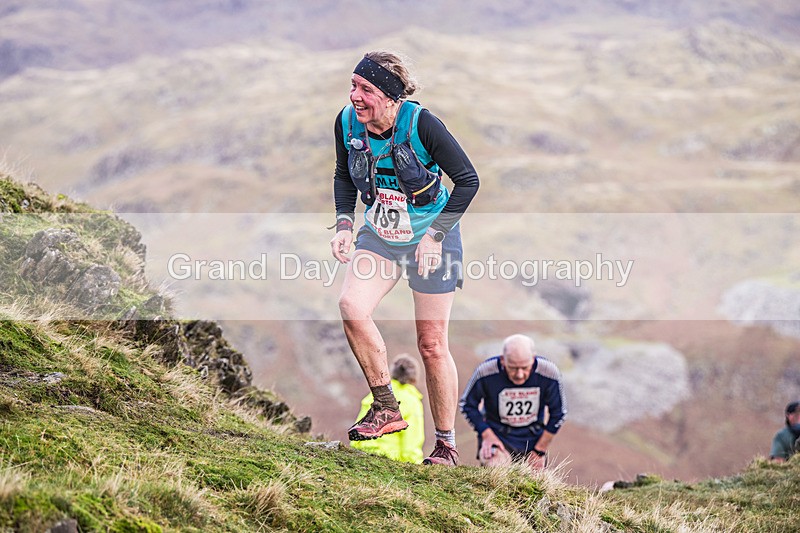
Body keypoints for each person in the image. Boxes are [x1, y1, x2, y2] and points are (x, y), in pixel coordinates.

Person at [330, 50, 479, 466]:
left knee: (431, 345)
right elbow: (343, 174)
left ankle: (446, 446)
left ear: (391, 98)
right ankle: (385, 407)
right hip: (381, 235)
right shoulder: (347, 122)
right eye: (353, 86)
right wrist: (344, 224)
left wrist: (435, 235)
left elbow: (468, 181)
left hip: (433, 238)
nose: (355, 96)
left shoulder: (422, 124)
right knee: (351, 305)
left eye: (366, 89)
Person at [460, 334, 567, 471]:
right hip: (498, 437)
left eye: (525, 367)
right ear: (503, 360)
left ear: (533, 359)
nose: (519, 374)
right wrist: (486, 434)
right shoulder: (485, 371)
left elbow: (559, 414)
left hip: (533, 441)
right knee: (497, 472)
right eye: (513, 368)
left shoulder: (549, 372)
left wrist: (540, 450)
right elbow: (467, 404)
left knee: (534, 482)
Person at [350, 355, 425, 463]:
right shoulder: (412, 402)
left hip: (363, 454)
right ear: (414, 378)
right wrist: (416, 466)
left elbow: (359, 428)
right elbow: (411, 442)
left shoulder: (375, 396)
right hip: (391, 459)